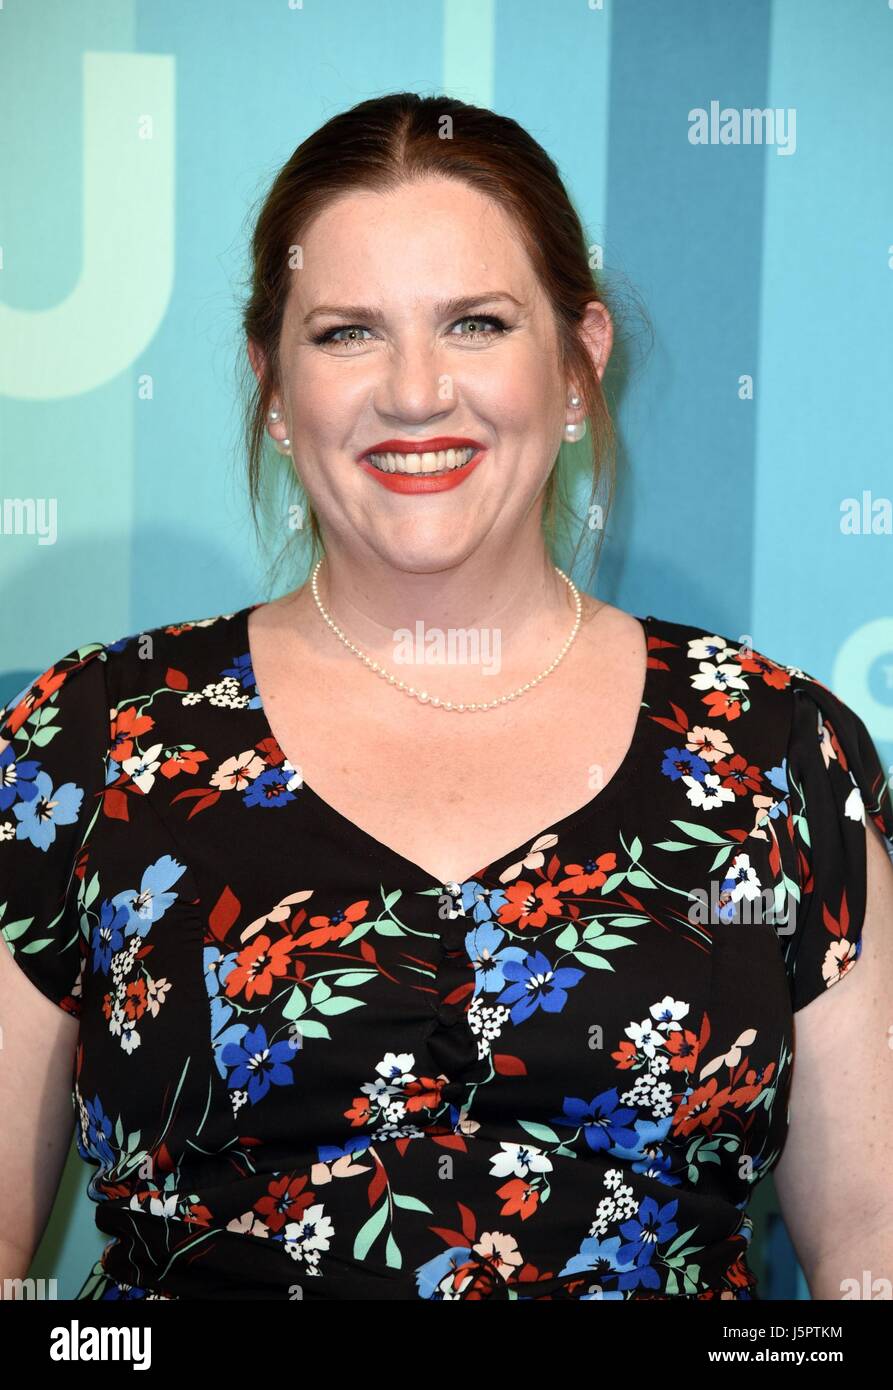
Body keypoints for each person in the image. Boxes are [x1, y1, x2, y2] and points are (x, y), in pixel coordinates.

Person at [2, 92, 892, 1302]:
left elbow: (865, 1271)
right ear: (271, 383)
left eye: (474, 324)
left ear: (579, 364)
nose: (415, 393)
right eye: (346, 334)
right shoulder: (90, 742)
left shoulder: (778, 753)